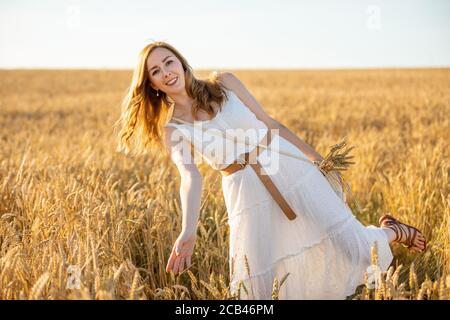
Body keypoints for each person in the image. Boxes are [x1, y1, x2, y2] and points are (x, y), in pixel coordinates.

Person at [116, 41, 427, 299]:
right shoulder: (174, 130)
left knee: (349, 244)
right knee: (258, 283)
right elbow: (190, 176)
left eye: (168, 62)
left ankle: (392, 231)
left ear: (182, 63)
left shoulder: (224, 82)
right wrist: (189, 230)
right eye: (155, 71)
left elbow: (270, 124)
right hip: (245, 192)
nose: (166, 72)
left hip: (286, 163)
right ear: (152, 85)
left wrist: (318, 160)